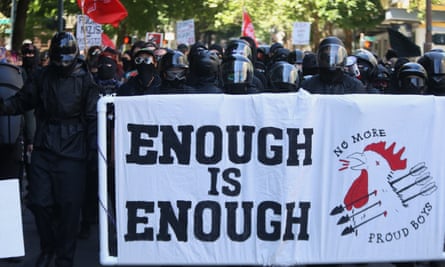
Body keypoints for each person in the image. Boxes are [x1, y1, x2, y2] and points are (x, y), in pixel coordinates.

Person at [0, 31, 99, 267]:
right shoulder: (42, 76)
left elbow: (93, 119)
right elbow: (23, 101)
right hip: (45, 146)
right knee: (38, 201)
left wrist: (94, 153)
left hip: (74, 151)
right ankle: (48, 247)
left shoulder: (86, 81)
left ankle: (64, 258)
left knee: (68, 209)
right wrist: (3, 107)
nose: (62, 64)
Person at [301, 36, 366, 94]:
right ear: (320, 58)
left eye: (335, 56)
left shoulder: (354, 85)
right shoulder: (308, 85)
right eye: (326, 56)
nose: (331, 60)